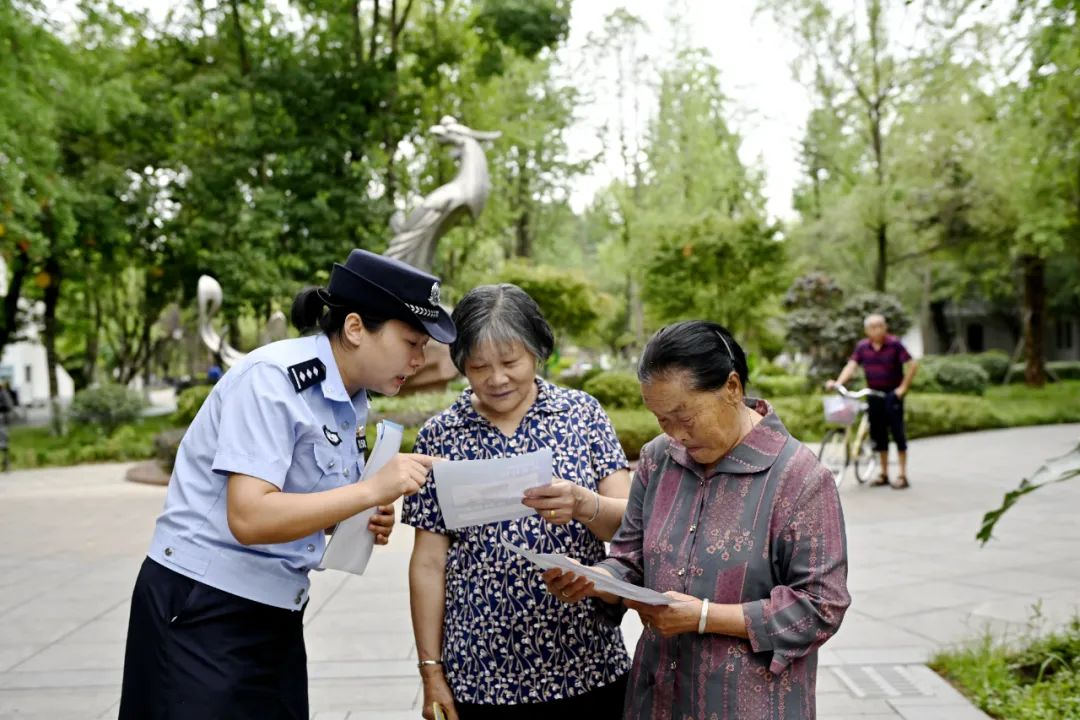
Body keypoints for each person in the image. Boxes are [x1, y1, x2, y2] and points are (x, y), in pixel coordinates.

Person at [118, 249, 457, 719]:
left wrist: (355, 518)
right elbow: (250, 517)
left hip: (275, 611)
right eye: (412, 342)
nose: (421, 359)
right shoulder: (273, 381)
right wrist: (370, 490)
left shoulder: (351, 399)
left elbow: (303, 504)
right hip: (203, 605)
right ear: (356, 328)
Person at [543, 320, 850, 720]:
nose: (676, 434)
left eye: (684, 416)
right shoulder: (658, 459)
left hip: (748, 705)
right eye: (661, 420)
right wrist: (597, 580)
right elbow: (629, 556)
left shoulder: (800, 478)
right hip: (656, 699)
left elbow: (822, 606)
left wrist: (705, 616)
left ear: (732, 388)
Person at [404, 284, 633, 720]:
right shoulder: (441, 434)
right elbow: (429, 563)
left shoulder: (581, 414)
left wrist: (584, 504)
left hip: (586, 660)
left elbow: (630, 528)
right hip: (481, 671)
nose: (496, 378)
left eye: (510, 362)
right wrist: (431, 670)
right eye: (478, 366)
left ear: (537, 351)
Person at [827, 313, 919, 488]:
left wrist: (903, 388)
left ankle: (902, 475)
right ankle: (883, 473)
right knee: (879, 434)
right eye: (872, 326)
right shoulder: (863, 347)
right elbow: (852, 365)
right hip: (873, 394)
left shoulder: (894, 344)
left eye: (880, 325)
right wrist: (838, 383)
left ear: (885, 327)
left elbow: (912, 364)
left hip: (892, 395)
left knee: (898, 433)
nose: (877, 329)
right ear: (866, 330)